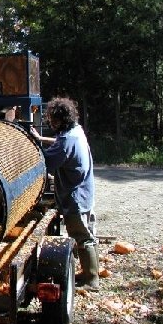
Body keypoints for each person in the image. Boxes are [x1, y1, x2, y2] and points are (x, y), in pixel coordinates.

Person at [30, 97, 99, 290]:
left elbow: (46, 162)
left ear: (61, 120)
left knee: (82, 236)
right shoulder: (76, 131)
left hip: (74, 198)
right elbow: (61, 142)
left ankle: (91, 280)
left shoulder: (67, 140)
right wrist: (42, 139)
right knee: (88, 234)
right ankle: (89, 272)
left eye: (53, 120)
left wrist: (28, 151)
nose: (51, 123)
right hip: (85, 193)